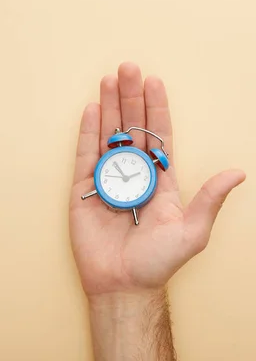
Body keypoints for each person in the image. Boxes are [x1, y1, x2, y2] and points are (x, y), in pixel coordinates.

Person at [69, 62, 245, 360]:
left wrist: (130, 294)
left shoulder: (142, 168)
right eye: (119, 174)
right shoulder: (118, 168)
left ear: (148, 169)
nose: (125, 177)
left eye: (133, 175)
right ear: (108, 168)